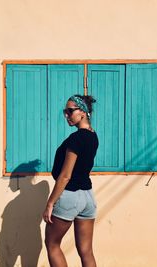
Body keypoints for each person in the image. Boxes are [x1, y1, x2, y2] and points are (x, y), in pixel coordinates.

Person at [43, 94, 99, 267]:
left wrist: (50, 203)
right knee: (86, 251)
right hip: (88, 197)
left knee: (52, 245)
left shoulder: (76, 139)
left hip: (69, 196)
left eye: (70, 111)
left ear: (82, 113)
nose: (66, 115)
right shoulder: (93, 136)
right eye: (64, 111)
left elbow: (66, 175)